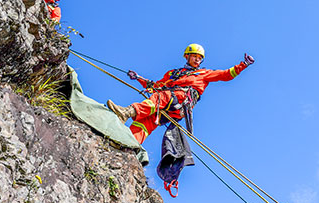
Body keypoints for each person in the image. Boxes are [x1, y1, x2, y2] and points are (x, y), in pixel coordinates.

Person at [106, 43, 255, 143]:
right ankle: (128, 142)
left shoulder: (204, 73)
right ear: (187, 56)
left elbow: (225, 74)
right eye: (195, 56)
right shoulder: (173, 73)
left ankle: (127, 112)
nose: (197, 60)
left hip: (181, 102)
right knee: (147, 120)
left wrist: (243, 65)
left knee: (161, 97)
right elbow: (156, 86)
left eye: (199, 58)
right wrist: (138, 78)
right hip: (165, 103)